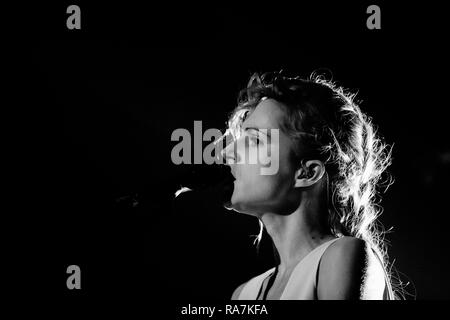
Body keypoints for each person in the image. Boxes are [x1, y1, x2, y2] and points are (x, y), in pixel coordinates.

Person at [221, 71, 396, 300]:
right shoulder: (243, 294)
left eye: (255, 140)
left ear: (307, 172)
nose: (227, 153)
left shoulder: (341, 257)